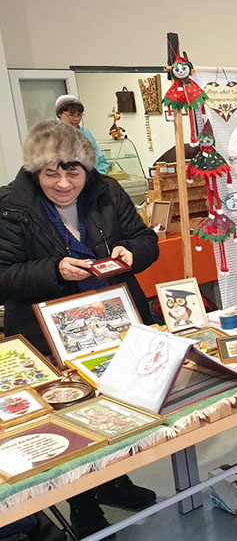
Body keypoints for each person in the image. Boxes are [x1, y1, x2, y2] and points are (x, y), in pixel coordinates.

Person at [0, 120, 160, 538]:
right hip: (47, 333)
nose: (63, 183)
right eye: (51, 172)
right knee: (71, 419)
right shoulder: (11, 205)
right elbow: (3, 276)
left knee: (118, 406)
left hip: (116, 321)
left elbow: (146, 239)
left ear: (87, 168)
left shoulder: (108, 191)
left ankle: (115, 480)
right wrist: (54, 270)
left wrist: (133, 252)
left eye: (73, 171)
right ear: (35, 170)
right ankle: (82, 504)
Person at [55, 94, 111, 175]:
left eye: (79, 115)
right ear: (59, 114)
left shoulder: (85, 133)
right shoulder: (52, 134)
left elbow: (101, 160)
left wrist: (97, 177)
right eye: (71, 115)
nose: (76, 118)